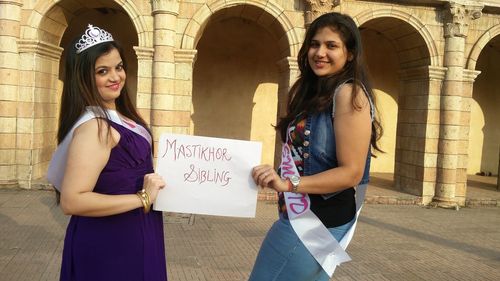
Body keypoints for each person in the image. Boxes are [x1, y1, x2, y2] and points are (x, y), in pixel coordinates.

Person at [249, 12, 382, 281]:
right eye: (314, 44)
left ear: (351, 53)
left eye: (331, 45)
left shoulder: (348, 93)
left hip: (316, 221)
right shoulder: (313, 92)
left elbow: (351, 173)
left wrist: (289, 184)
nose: (320, 52)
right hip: (300, 215)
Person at [47, 24, 167, 281]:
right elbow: (72, 201)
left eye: (119, 67)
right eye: (103, 71)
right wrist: (142, 198)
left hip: (136, 229)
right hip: (111, 241)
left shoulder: (122, 117)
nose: (115, 77)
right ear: (84, 78)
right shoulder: (95, 127)